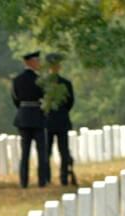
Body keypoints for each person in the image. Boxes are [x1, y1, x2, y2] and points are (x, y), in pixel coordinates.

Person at [12, 51, 49, 188]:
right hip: (37, 116)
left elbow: (15, 99)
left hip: (23, 117)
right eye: (36, 61)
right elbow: (44, 97)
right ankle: (42, 181)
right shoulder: (40, 80)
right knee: (41, 152)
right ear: (29, 62)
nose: (38, 63)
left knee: (25, 151)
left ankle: (24, 181)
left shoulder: (17, 79)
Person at [43, 53, 75, 185]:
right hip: (55, 119)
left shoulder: (64, 83)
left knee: (62, 151)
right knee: (48, 151)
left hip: (51, 119)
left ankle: (62, 177)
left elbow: (70, 101)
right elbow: (69, 103)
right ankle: (50, 177)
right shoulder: (62, 83)